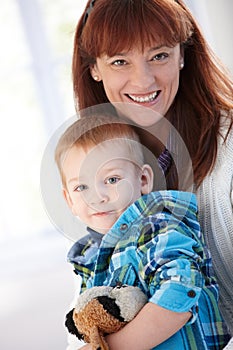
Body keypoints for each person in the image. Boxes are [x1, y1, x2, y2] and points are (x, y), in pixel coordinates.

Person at [71, 0, 233, 346]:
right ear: (95, 69)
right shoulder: (96, 168)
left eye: (159, 56)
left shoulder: (228, 148)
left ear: (183, 55)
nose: (143, 80)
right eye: (119, 61)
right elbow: (88, 312)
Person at [55, 114, 230, 349]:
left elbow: (179, 297)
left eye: (112, 179)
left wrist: (109, 347)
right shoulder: (89, 257)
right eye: (81, 186)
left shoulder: (157, 227)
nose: (98, 197)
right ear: (69, 201)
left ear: (144, 180)